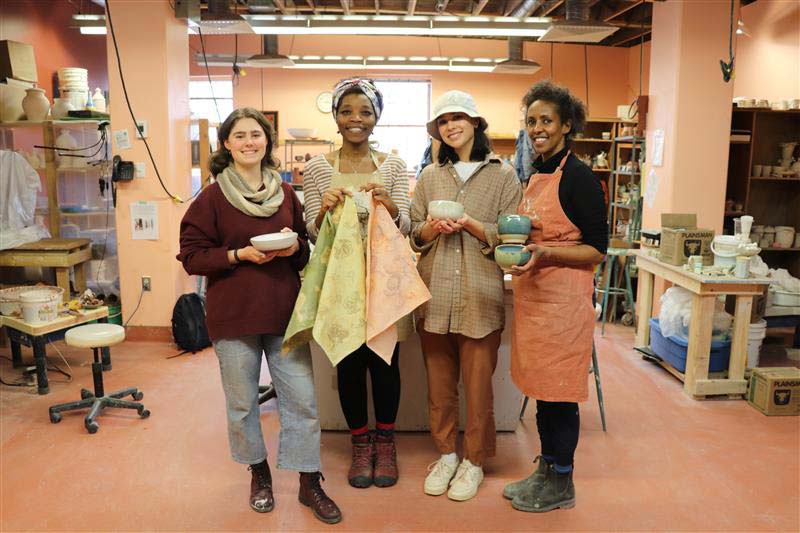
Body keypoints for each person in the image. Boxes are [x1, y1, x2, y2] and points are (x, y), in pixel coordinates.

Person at [177, 108, 341, 525]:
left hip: (285, 311)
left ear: (267, 142)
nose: (250, 142)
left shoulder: (286, 194)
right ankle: (259, 473)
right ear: (227, 144)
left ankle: (308, 482)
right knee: (243, 405)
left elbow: (304, 249)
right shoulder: (211, 199)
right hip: (234, 316)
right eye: (240, 136)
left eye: (257, 135)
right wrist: (237, 254)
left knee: (302, 402)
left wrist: (293, 250)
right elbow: (192, 257)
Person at [410, 90, 522, 502]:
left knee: (478, 390)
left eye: (459, 118)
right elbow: (414, 234)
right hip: (434, 296)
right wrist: (430, 230)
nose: (451, 126)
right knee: (439, 390)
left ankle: (474, 461)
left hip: (481, 296)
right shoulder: (428, 177)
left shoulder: (503, 175)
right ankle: (446, 455)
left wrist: (472, 224)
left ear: (476, 123)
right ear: (437, 131)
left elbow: (513, 237)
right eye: (443, 121)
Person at [503, 80, 608, 513]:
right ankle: (546, 469)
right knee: (543, 393)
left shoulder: (579, 177)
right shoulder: (539, 172)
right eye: (531, 121)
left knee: (560, 395)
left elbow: (597, 249)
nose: (537, 128)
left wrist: (546, 251)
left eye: (546, 120)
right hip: (536, 303)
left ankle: (562, 481)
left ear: (566, 125)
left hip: (563, 307)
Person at [303, 78, 410, 489]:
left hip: (385, 282)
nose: (356, 119)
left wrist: (392, 205)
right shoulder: (316, 168)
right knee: (348, 365)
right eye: (347, 111)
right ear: (335, 116)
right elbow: (312, 235)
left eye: (365, 111)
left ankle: (386, 443)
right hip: (338, 283)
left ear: (376, 117)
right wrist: (322, 212)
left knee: (386, 363)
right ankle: (360, 445)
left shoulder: (394, 167)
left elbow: (407, 227)